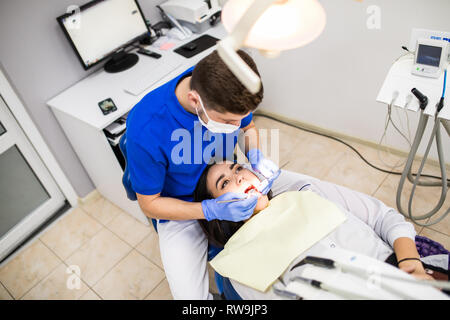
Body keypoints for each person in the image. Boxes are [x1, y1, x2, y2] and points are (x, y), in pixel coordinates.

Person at [125, 50, 281, 299]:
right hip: (181, 206)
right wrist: (209, 210)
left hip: (223, 174)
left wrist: (255, 155)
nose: (235, 127)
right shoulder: (146, 130)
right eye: (227, 121)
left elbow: (248, 127)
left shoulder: (227, 89)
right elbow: (150, 204)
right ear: (195, 100)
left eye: (237, 120)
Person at [193, 161, 449, 299]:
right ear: (217, 211)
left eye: (238, 168)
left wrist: (410, 261)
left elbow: (385, 218)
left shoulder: (305, 193)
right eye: (224, 182)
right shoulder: (240, 264)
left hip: (406, 273)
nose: (239, 176)